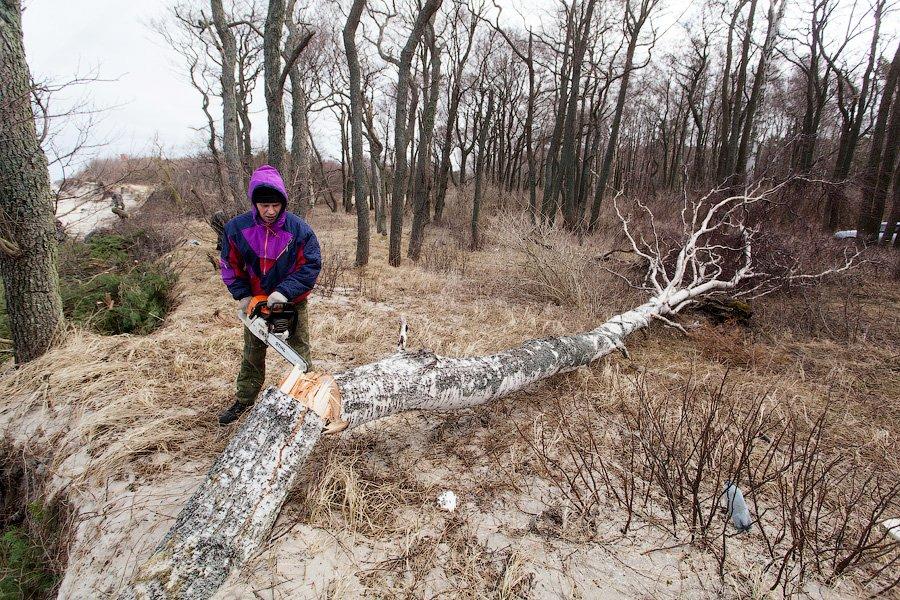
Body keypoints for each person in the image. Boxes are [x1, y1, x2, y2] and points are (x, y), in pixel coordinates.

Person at [218, 164, 322, 425]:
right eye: (264, 205)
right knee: (252, 353)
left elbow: (310, 265)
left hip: (291, 303)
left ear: (283, 203)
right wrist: (242, 295)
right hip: (256, 304)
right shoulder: (236, 229)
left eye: (275, 205)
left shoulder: (299, 230)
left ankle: (306, 398)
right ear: (255, 203)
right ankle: (245, 398)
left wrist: (285, 292)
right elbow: (229, 264)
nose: (270, 211)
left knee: (299, 351)